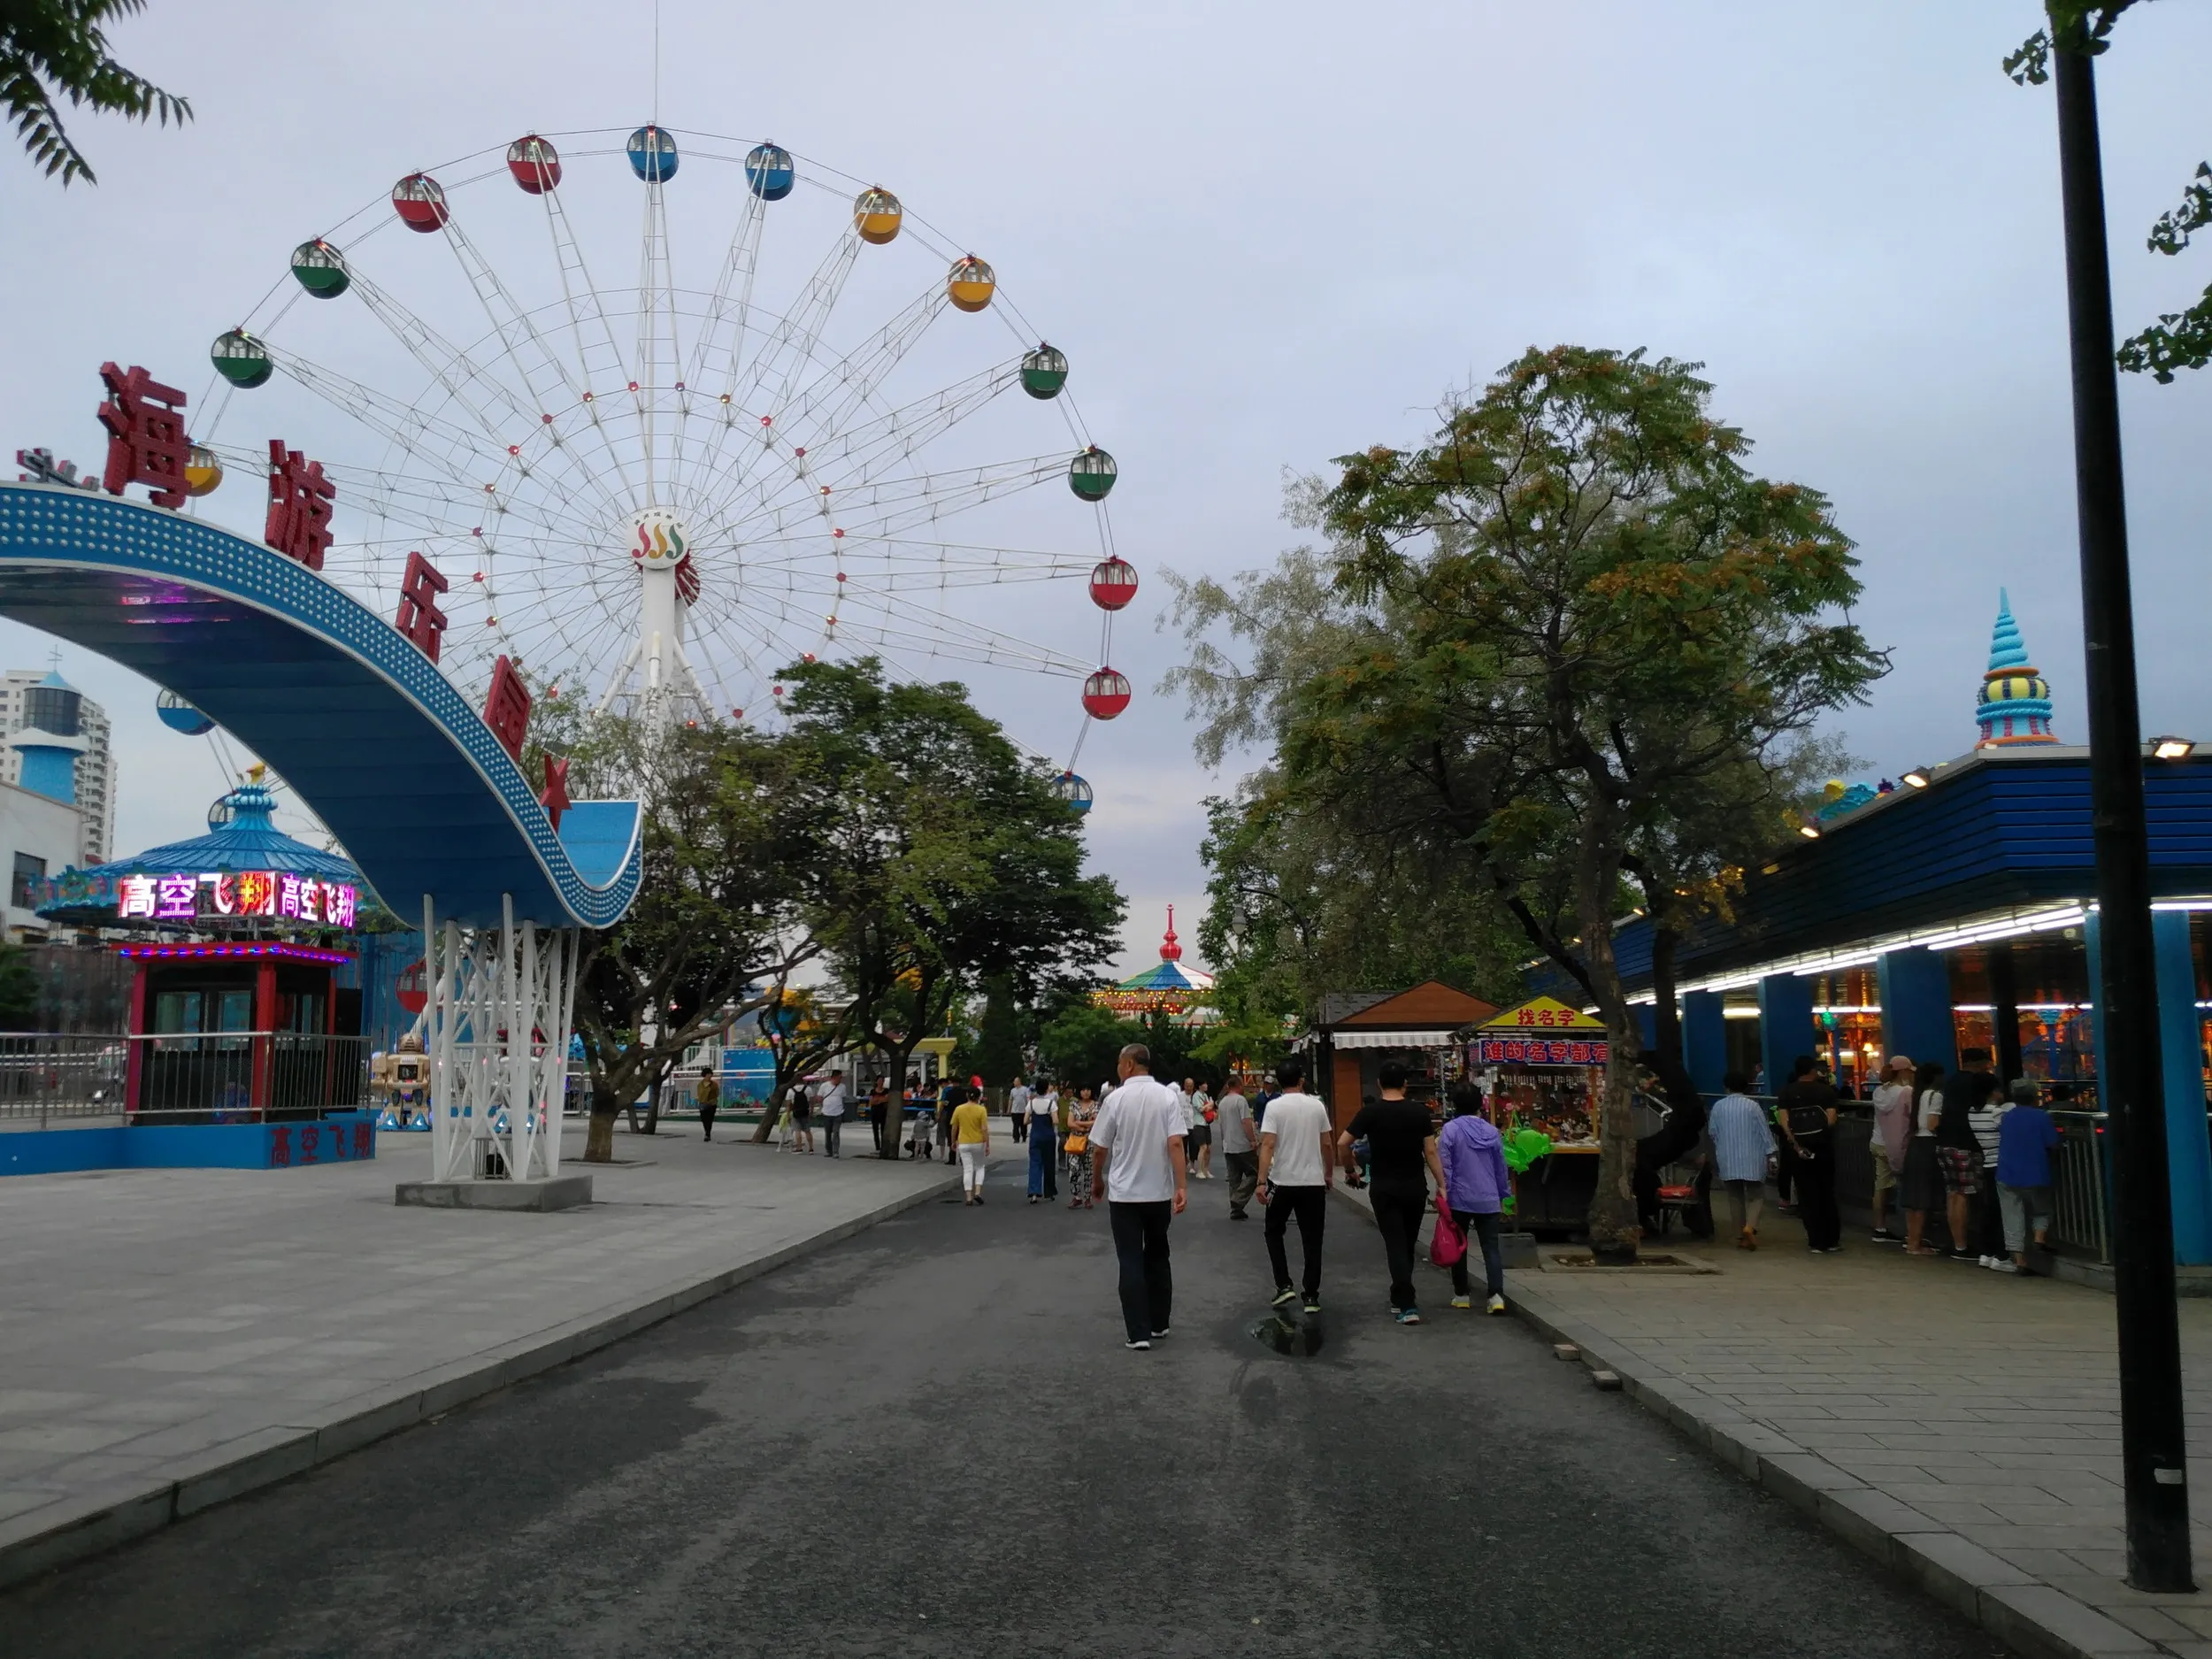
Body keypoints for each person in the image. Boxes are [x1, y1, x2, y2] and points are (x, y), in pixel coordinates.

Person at [1087, 1044, 1187, 1349]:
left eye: (1120, 1063)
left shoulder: (1115, 1099)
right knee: (1158, 1254)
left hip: (1125, 1194)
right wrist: (1181, 1185)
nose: (1118, 1068)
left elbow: (1100, 1148)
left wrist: (1097, 1181)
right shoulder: (1167, 1097)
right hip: (1158, 1192)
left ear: (1129, 1064)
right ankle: (1159, 1323)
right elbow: (1175, 1143)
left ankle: (1138, 1332)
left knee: (1130, 1258)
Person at [1341, 1061, 1446, 1325]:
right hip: (1415, 1187)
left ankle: (1406, 1303)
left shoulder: (1371, 1112)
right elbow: (1430, 1151)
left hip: (1384, 1188)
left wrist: (1350, 1170)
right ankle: (1400, 1295)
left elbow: (1344, 1142)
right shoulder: (1419, 1112)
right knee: (1407, 1242)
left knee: (1395, 1243)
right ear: (1405, 1084)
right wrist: (1442, 1183)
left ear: (1379, 1083)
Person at [1256, 1059, 1333, 1314]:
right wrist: (1328, 1173)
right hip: (1313, 1182)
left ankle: (1284, 1284)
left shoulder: (1274, 1107)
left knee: (1273, 1231)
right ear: (1301, 1080)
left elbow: (1268, 1144)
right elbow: (1327, 1144)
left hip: (1282, 1181)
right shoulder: (1317, 1106)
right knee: (1313, 1239)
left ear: (1278, 1082)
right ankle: (1311, 1295)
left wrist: (1261, 1181)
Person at [1436, 1081, 1511, 1312]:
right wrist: (1502, 1194)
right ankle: (1496, 1296)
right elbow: (1501, 1168)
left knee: (1459, 1246)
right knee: (1491, 1248)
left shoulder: (1450, 1130)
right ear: (1480, 1104)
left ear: (1454, 1104)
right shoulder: (1491, 1131)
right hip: (1488, 1197)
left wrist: (1444, 1191)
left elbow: (1446, 1166)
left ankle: (1462, 1294)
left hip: (1459, 1197)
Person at [1935, 1048, 2000, 1260]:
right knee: (1964, 1194)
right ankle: (1962, 1245)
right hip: (1967, 1143)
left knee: (1953, 1193)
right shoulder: (1976, 1082)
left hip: (1945, 1141)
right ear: (1979, 1063)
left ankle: (1958, 1243)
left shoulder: (1951, 1081)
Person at [1776, 1054, 1841, 1253]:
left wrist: (1796, 1144)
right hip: (1823, 1148)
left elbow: (1784, 1122)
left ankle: (1815, 1240)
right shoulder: (1826, 1091)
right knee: (1826, 1192)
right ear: (1813, 1070)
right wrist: (1820, 1136)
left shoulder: (1786, 1092)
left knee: (1806, 1194)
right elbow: (1831, 1119)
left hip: (1799, 1151)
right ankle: (1832, 1240)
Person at [1995, 1077, 2059, 1275]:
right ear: (2034, 1097)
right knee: (2042, 1209)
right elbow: (2052, 1142)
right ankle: (2039, 1239)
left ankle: (2019, 1260)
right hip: (2035, 1172)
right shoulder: (2042, 1117)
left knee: (2011, 1214)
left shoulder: (2007, 1117)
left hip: (2006, 1172)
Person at [1708, 1069, 1775, 1248]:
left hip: (1728, 1158)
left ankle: (1739, 1235)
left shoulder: (1718, 1106)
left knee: (1734, 1196)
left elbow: (1712, 1132)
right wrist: (1771, 1153)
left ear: (1726, 1086)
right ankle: (1749, 1227)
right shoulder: (1752, 1106)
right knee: (1756, 1196)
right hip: (1752, 1157)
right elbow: (1764, 1132)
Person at [1901, 1060, 1948, 1254]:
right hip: (1928, 1145)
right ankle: (1916, 1244)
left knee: (1913, 1197)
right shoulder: (1936, 1096)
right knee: (1923, 1196)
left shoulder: (1917, 1094)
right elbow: (1932, 1124)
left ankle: (1912, 1241)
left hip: (1915, 1144)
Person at [1868, 1054, 1915, 1242]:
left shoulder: (1878, 1092)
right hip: (1899, 1146)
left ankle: (1880, 1228)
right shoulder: (1906, 1092)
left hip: (1877, 1142)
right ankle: (1911, 1233)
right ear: (1903, 1072)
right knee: (1906, 1187)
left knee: (1881, 1186)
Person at [1970, 1071, 2012, 1268]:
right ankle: (2002, 1255)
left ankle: (1987, 1252)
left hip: (1986, 1164)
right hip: (2001, 1164)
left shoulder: (1972, 1112)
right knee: (2002, 1210)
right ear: (1993, 1092)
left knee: (1990, 1208)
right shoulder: (1997, 1113)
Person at [1217, 1078, 1257, 1219]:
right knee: (1255, 1173)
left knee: (1234, 1178)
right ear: (1239, 1086)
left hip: (1228, 1145)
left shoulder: (1222, 1102)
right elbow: (1246, 1121)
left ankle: (1236, 1209)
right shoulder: (1240, 1101)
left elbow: (1221, 1124)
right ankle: (1238, 1199)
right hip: (1242, 1144)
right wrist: (1252, 1140)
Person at [950, 1084, 992, 1205]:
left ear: (967, 1095)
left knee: (967, 1169)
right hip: (978, 1142)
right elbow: (984, 1129)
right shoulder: (981, 1110)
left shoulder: (959, 1109)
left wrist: (953, 1141)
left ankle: (968, 1197)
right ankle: (977, 1192)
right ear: (979, 1097)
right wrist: (987, 1144)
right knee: (979, 1167)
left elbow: (954, 1128)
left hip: (963, 1142)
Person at [1065, 1085, 1099, 1209]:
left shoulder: (1095, 1105)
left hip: (1089, 1141)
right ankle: (1076, 1196)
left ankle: (1088, 1198)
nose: (1086, 1092)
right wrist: (1084, 1127)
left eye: (1088, 1090)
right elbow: (1070, 1123)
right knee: (1074, 1168)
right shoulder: (1074, 1104)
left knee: (1088, 1170)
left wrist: (1078, 1122)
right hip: (1075, 1140)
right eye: (1083, 1090)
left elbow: (1096, 1122)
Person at [1026, 1080, 1059, 1200]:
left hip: (1035, 1136)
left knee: (1035, 1163)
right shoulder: (1051, 1103)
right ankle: (1049, 1192)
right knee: (1049, 1164)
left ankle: (1034, 1192)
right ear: (1046, 1090)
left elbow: (1025, 1121)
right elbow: (1055, 1121)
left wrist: (1034, 1119)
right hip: (1048, 1136)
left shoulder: (1031, 1103)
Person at [1185, 1078, 1213, 1179]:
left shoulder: (1205, 1095)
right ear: (1200, 1086)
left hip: (1206, 1123)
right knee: (1203, 1147)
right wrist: (1209, 1105)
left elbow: (1210, 1108)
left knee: (1208, 1148)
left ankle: (1206, 1170)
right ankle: (1200, 1170)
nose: (1206, 1085)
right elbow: (1201, 1109)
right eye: (1204, 1084)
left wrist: (1208, 1106)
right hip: (1198, 1124)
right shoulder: (1196, 1096)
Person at [818, 1068, 848, 1159]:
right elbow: (819, 1097)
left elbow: (843, 1098)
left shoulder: (842, 1087)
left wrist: (843, 1109)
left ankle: (835, 1152)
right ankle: (829, 1151)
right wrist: (822, 1105)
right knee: (828, 1133)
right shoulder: (824, 1086)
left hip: (838, 1113)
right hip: (827, 1113)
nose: (841, 1079)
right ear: (834, 1077)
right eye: (839, 1077)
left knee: (836, 1132)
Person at [693, 1064, 720, 1142]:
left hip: (712, 1104)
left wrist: (712, 1100)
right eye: (708, 1074)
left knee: (709, 1119)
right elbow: (699, 1094)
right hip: (703, 1104)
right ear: (704, 1075)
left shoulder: (714, 1084)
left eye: (710, 1074)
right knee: (704, 1119)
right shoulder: (700, 1085)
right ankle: (707, 1132)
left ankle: (707, 1134)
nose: (709, 1076)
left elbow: (717, 1093)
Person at [788, 1078, 814, 1155]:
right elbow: (812, 1101)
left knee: (797, 1131)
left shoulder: (791, 1090)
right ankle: (811, 1149)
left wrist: (788, 1115)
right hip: (805, 1112)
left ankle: (799, 1148)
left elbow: (788, 1104)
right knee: (807, 1131)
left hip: (796, 1113)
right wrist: (811, 1112)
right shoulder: (808, 1089)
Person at [868, 1079, 891, 1156]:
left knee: (883, 1130)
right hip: (874, 1113)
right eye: (879, 1081)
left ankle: (883, 1146)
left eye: (882, 1081)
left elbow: (887, 1099)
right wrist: (881, 1099)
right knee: (875, 1130)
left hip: (883, 1113)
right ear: (877, 1082)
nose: (880, 1082)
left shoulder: (886, 1091)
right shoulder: (872, 1091)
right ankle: (877, 1147)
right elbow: (871, 1101)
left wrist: (878, 1100)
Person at [1008, 1075, 1032, 1144]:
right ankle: (1016, 1138)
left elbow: (1028, 1098)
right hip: (1015, 1111)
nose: (1014, 1083)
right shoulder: (1013, 1090)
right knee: (1015, 1126)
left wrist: (1029, 1108)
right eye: (1014, 1082)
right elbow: (1011, 1100)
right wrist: (1009, 1109)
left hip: (1023, 1111)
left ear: (1019, 1082)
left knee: (1023, 1125)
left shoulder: (1025, 1089)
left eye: (1015, 1081)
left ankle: (1024, 1137)